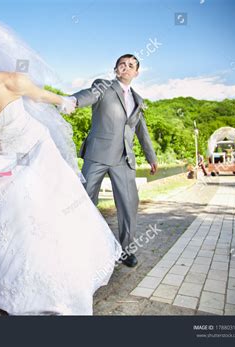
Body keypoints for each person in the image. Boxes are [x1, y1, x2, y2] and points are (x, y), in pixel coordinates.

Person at [0, 18, 121, 315]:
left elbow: (43, 97)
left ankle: (62, 277)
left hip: (37, 150)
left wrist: (67, 102)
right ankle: (10, 284)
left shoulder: (11, 80)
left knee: (44, 215)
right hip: (1, 161)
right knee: (9, 221)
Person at [71, 54, 158, 268]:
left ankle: (126, 250)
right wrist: (73, 101)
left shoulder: (138, 100)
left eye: (131, 66)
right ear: (115, 68)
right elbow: (87, 95)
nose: (126, 68)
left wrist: (152, 157)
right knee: (85, 200)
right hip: (98, 155)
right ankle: (81, 246)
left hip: (124, 159)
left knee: (129, 204)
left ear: (136, 73)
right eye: (122, 64)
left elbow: (142, 132)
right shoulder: (103, 86)